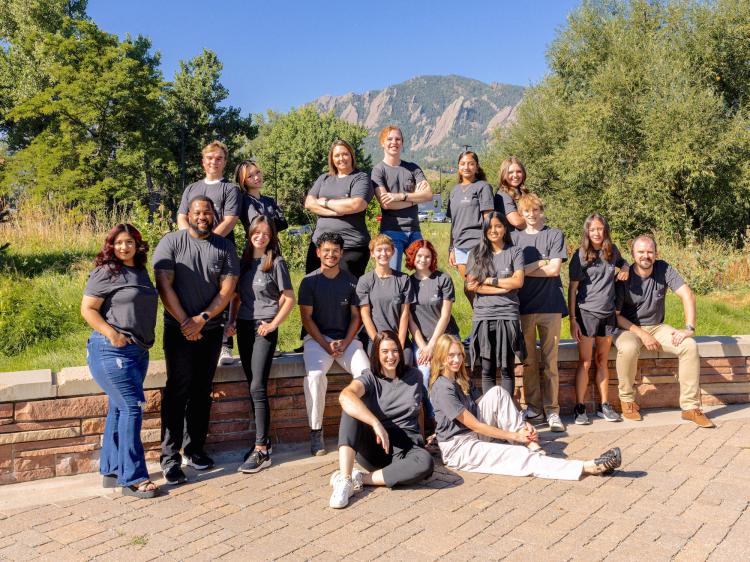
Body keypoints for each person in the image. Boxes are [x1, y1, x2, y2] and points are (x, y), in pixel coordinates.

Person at [429, 335, 622, 479]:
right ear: (440, 357)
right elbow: (476, 425)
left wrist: (521, 424)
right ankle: (588, 467)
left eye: (459, 355)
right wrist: (514, 436)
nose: (456, 360)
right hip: (460, 447)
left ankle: (530, 442)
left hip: (473, 434)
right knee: (517, 455)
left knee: (496, 392)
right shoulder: (442, 387)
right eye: (450, 356)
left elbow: (484, 405)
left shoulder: (461, 378)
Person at [153, 196, 239, 485]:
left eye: (207, 212)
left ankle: (195, 449)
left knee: (203, 390)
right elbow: (164, 285)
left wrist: (201, 319)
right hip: (177, 330)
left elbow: (226, 291)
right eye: (197, 212)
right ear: (188, 214)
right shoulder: (171, 242)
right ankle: (169, 457)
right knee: (178, 389)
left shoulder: (225, 246)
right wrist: (185, 322)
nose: (202, 216)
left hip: (211, 329)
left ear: (214, 215)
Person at [81, 224, 159, 498]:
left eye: (129, 242)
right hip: (110, 350)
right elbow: (88, 309)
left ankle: (112, 469)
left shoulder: (140, 272)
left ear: (138, 245)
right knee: (132, 408)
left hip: (138, 350)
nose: (123, 247)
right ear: (111, 245)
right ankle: (134, 477)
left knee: (118, 409)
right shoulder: (106, 272)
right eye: (118, 243)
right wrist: (112, 334)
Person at [613, 235, 714, 427]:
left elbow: (688, 295)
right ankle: (627, 400)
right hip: (627, 327)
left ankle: (690, 407)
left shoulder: (663, 268)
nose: (646, 255)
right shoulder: (624, 278)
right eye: (641, 252)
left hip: (657, 326)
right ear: (633, 254)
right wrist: (642, 334)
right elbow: (616, 316)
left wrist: (688, 328)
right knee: (627, 348)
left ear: (656, 253)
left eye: (650, 252)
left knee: (689, 346)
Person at [329, 331, 434, 509]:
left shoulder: (414, 376)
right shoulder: (370, 377)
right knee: (350, 409)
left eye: (395, 351)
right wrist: (375, 423)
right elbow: (345, 396)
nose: (391, 356)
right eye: (385, 351)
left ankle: (360, 478)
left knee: (426, 462)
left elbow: (420, 411)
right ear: (376, 353)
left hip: (407, 448)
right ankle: (345, 480)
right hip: (377, 445)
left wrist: (422, 441)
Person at [225, 216, 296, 473]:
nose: (261, 237)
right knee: (251, 385)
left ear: (271, 237)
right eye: (257, 232)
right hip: (243, 327)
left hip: (263, 329)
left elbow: (288, 298)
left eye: (266, 234)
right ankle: (261, 442)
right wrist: (231, 321)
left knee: (257, 386)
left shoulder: (275, 263)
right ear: (250, 234)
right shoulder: (243, 263)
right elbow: (236, 297)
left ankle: (261, 450)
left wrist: (274, 324)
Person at [299, 232, 370, 456]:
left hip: (347, 339)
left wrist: (346, 342)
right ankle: (315, 430)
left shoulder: (351, 281)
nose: (331, 254)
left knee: (366, 372)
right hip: (317, 339)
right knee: (315, 377)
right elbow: (306, 319)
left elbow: (356, 317)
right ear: (318, 252)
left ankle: (365, 427)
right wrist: (326, 345)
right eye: (326, 250)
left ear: (342, 253)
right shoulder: (309, 281)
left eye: (335, 251)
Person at [176, 140, 241, 365]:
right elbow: (182, 216)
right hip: (190, 251)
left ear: (225, 162)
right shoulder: (192, 188)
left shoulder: (230, 189)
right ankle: (191, 333)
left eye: (219, 158)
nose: (214, 162)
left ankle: (225, 346)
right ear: (203, 161)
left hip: (220, 248)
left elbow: (230, 219)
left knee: (224, 293)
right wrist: (191, 241)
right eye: (210, 158)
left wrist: (209, 241)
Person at [511, 194, 568, 432]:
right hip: (524, 307)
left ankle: (553, 410)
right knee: (529, 363)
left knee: (550, 362)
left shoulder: (555, 234)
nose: (531, 215)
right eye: (526, 211)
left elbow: (555, 269)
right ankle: (534, 409)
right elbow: (516, 273)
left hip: (550, 306)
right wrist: (541, 263)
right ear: (521, 214)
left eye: (535, 210)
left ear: (541, 211)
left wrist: (528, 268)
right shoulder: (514, 238)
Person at [568, 213, 629, 425]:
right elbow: (572, 289)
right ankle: (580, 407)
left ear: (605, 230)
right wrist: (572, 319)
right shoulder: (580, 255)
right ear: (587, 231)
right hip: (586, 314)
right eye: (592, 229)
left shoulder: (612, 251)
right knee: (585, 362)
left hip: (608, 314)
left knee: (602, 360)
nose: (596, 233)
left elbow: (624, 262)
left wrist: (626, 268)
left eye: (600, 229)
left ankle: (604, 405)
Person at [465, 212, 526, 396]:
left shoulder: (514, 252)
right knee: (487, 368)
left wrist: (489, 281)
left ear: (505, 228)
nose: (494, 230)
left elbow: (518, 282)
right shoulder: (476, 253)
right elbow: (472, 285)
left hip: (507, 315)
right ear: (484, 230)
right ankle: (490, 413)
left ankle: (507, 412)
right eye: (490, 227)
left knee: (507, 368)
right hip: (484, 316)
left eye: (498, 226)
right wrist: (502, 286)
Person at [404, 239, 460, 436]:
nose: (423, 259)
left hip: (445, 338)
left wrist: (432, 345)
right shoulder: (408, 282)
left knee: (447, 376)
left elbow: (445, 315)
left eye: (427, 256)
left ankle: (455, 417)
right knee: (425, 375)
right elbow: (409, 318)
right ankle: (436, 420)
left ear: (432, 258)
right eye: (419, 255)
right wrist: (423, 346)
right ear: (412, 257)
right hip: (422, 340)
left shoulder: (442, 279)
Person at [304, 139, 374, 278]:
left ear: (351, 155)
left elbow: (356, 205)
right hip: (319, 245)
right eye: (337, 155)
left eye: (345, 154)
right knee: (314, 286)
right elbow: (309, 203)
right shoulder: (324, 178)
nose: (341, 158)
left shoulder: (361, 178)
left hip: (351, 246)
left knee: (345, 291)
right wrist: (340, 208)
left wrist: (325, 202)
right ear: (331, 159)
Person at [371, 125, 433, 270]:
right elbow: (386, 204)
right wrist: (416, 198)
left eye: (398, 139)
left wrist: (400, 196)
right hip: (391, 232)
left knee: (425, 271)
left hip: (415, 230)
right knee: (393, 275)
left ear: (402, 142)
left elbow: (428, 195)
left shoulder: (413, 168)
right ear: (382, 143)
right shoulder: (378, 170)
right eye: (390, 139)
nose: (394, 142)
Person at [447, 151, 495, 301]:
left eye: (471, 163)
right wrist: (451, 248)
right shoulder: (454, 191)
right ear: (458, 167)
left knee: (475, 285)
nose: (466, 167)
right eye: (462, 163)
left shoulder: (483, 187)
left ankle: (487, 316)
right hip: (459, 246)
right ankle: (480, 319)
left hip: (477, 244)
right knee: (469, 288)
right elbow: (453, 222)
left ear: (477, 167)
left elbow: (489, 218)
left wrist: (487, 245)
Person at [356, 234, 415, 353]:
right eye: (379, 250)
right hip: (374, 338)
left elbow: (405, 314)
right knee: (377, 366)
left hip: (398, 337)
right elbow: (365, 315)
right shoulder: (365, 281)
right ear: (372, 253)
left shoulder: (403, 279)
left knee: (406, 363)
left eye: (387, 249)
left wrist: (400, 342)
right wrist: (377, 343)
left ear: (393, 252)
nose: (383, 253)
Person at [234, 159, 288, 235]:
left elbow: (283, 224)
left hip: (274, 245)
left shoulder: (270, 200)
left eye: (258, 172)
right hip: (256, 245)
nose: (256, 177)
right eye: (250, 176)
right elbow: (258, 224)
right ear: (243, 181)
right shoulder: (245, 201)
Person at [494, 156, 528, 230]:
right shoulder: (503, 194)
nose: (515, 175)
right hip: (513, 239)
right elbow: (517, 222)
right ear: (504, 175)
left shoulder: (522, 192)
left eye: (519, 171)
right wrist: (536, 223)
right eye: (510, 172)